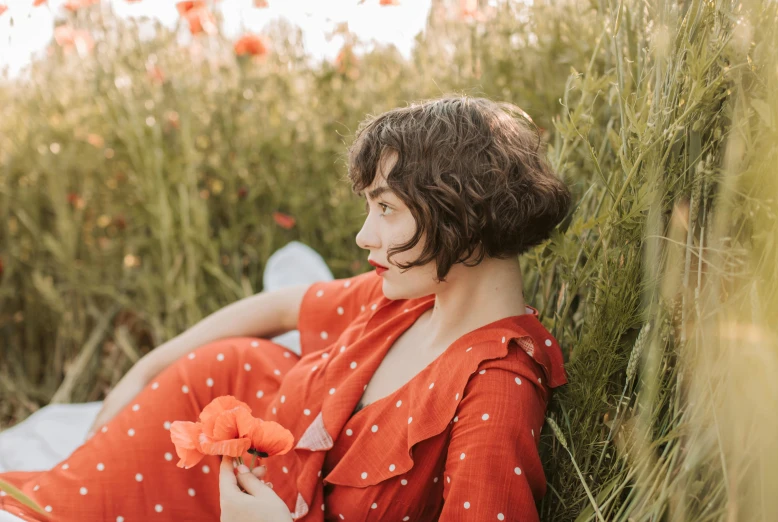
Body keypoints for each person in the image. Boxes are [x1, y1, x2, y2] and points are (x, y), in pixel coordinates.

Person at [0, 95, 571, 522]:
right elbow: (280, 306)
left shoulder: (495, 385)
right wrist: (147, 368)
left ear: (464, 216)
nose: (364, 236)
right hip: (213, 424)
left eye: (386, 209)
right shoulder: (411, 298)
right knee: (37, 509)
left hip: (239, 494)